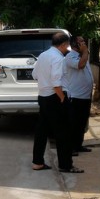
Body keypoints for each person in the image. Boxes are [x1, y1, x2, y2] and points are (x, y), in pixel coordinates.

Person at [31, 32, 83, 173]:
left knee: (41, 131)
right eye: (67, 45)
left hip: (43, 96)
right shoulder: (58, 58)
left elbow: (34, 75)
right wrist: (62, 98)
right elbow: (56, 82)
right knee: (64, 132)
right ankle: (66, 165)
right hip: (55, 97)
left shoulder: (43, 55)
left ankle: (37, 162)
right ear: (63, 45)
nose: (68, 48)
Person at [63, 35, 95, 156]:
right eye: (81, 41)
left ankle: (78, 145)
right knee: (74, 123)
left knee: (82, 122)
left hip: (85, 96)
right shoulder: (70, 57)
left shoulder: (83, 56)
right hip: (76, 96)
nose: (84, 43)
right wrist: (85, 51)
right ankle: (70, 148)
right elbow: (80, 65)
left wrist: (85, 53)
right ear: (75, 45)